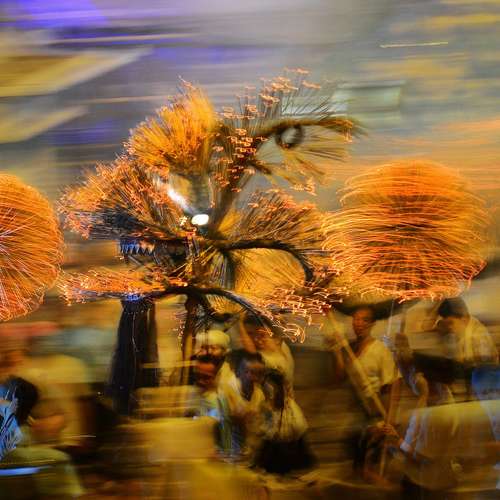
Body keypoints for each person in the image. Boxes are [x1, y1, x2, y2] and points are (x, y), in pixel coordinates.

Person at [381, 354, 461, 498]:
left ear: (423, 378)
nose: (411, 378)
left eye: (414, 372)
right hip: (433, 480)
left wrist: (396, 440)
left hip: (426, 485)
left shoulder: (434, 414)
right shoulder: (441, 399)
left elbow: (418, 455)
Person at [328, 305, 400, 417]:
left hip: (373, 411)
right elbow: (340, 378)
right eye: (356, 319)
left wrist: (390, 418)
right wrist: (337, 351)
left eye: (365, 320)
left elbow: (393, 384)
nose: (359, 323)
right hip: (351, 412)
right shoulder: (349, 349)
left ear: (372, 324)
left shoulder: (380, 350)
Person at [254, 369, 315, 475]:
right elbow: (266, 431)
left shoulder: (289, 406)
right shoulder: (267, 406)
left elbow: (298, 429)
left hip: (287, 450)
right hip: (275, 451)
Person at [219, 349, 266, 460]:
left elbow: (259, 425)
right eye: (248, 372)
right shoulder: (226, 390)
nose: (253, 378)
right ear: (238, 372)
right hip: (228, 449)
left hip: (249, 450)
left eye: (259, 373)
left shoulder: (259, 394)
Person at [436, 298, 498, 365]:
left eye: (451, 323)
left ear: (464, 319)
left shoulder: (478, 336)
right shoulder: (461, 329)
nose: (449, 327)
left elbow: (484, 366)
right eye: (446, 324)